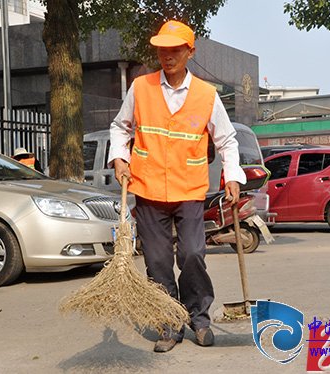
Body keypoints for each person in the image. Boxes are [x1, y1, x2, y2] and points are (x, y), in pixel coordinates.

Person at [108, 20, 246, 353]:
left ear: (190, 52)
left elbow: (226, 140)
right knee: (156, 261)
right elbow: (120, 128)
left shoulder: (206, 95)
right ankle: (169, 323)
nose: (167, 56)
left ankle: (199, 318)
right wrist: (120, 158)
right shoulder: (141, 87)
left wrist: (232, 175)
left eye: (175, 50)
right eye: (162, 50)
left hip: (189, 190)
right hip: (149, 188)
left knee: (193, 254)